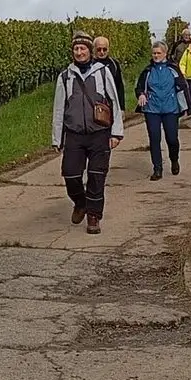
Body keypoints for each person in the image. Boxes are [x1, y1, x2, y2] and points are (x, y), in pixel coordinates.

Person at [51, 31, 124, 235]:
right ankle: (80, 202)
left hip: (99, 133)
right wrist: (57, 137)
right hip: (74, 133)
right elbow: (59, 108)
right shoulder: (65, 76)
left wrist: (116, 133)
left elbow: (114, 101)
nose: (79, 52)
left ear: (89, 51)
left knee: (96, 176)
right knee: (70, 174)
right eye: (76, 49)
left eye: (83, 48)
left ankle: (93, 216)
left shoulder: (102, 72)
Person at [135, 41, 190, 179]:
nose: (156, 55)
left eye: (159, 53)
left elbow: (183, 87)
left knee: (172, 138)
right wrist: (141, 94)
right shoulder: (148, 71)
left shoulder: (173, 69)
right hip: (152, 109)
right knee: (154, 138)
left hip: (170, 109)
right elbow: (139, 87)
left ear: (165, 54)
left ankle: (174, 159)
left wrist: (189, 107)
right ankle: (157, 168)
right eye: (154, 53)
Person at [92, 37, 125, 117]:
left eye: (104, 49)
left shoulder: (114, 64)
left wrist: (122, 108)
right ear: (94, 49)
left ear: (108, 49)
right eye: (99, 49)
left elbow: (119, 86)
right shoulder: (89, 64)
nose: (102, 52)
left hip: (111, 105)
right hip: (93, 106)